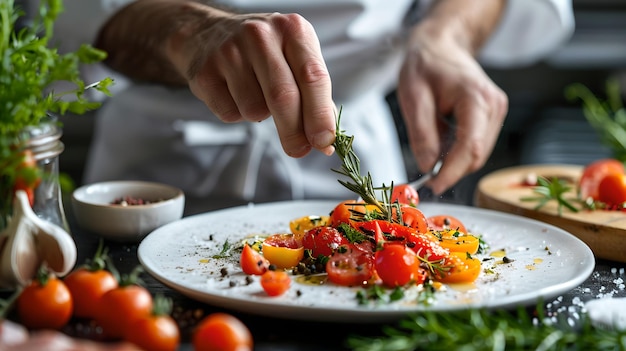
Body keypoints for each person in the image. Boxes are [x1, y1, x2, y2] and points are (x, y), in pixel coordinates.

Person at [51, 0, 574, 214]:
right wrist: (187, 32)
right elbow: (68, 16)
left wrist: (446, 36)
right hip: (153, 178)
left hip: (359, 167)